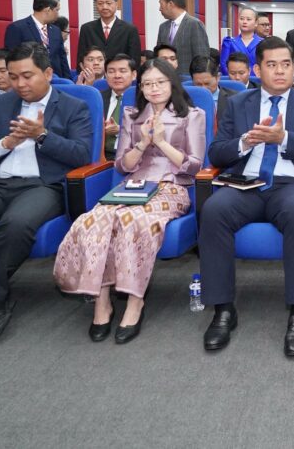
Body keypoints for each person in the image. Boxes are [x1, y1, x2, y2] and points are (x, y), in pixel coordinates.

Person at [198, 37, 294, 357]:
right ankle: (222, 309)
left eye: (286, 64)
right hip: (246, 183)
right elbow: (216, 153)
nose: (280, 71)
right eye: (271, 65)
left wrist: (283, 138)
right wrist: (245, 142)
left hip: (291, 184)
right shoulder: (237, 103)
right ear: (257, 70)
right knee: (214, 210)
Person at [54, 58, 205, 344]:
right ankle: (102, 301)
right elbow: (122, 165)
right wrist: (143, 142)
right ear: (141, 88)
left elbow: (194, 166)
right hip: (132, 187)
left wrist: (161, 142)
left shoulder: (192, 115)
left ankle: (135, 301)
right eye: (147, 84)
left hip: (170, 187)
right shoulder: (132, 115)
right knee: (91, 221)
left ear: (172, 83)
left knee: (135, 222)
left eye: (160, 82)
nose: (154, 88)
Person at [0, 42, 92, 340]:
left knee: (16, 223)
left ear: (47, 73)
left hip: (43, 187)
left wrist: (42, 135)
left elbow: (81, 154)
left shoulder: (74, 106)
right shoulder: (2, 105)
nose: (19, 84)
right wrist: (5, 144)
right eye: (13, 77)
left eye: (27, 76)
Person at [4, 0, 72, 79]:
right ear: (47, 10)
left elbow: (62, 59)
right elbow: (11, 58)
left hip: (56, 81)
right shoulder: (17, 28)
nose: (58, 14)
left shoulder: (56, 30)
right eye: (57, 10)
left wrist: (68, 81)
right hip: (29, 80)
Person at [77, 0, 141, 66]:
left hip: (119, 72)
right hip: (94, 73)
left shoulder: (130, 30)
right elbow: (81, 57)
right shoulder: (86, 28)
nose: (104, 7)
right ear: (96, 5)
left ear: (116, 4)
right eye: (100, 3)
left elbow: (134, 59)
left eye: (108, 3)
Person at [156, 0, 210, 75]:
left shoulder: (194, 24)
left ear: (170, 4)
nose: (159, 9)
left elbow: (202, 59)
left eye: (161, 4)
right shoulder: (163, 27)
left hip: (188, 80)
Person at [101, 53, 138, 161]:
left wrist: (120, 130)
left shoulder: (143, 100)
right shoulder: (98, 99)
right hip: (102, 159)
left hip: (133, 158)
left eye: (122, 71)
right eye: (111, 71)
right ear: (106, 75)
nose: (117, 75)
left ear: (134, 74)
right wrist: (101, 131)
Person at [190, 55, 237, 125]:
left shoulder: (235, 99)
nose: (203, 88)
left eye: (207, 83)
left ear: (218, 77)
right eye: (198, 84)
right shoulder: (186, 101)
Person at [220, 6, 261, 75]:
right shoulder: (229, 42)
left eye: (248, 19)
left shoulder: (262, 43)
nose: (244, 22)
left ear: (256, 23)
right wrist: (236, 76)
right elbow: (224, 65)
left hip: (257, 80)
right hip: (234, 79)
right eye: (241, 19)